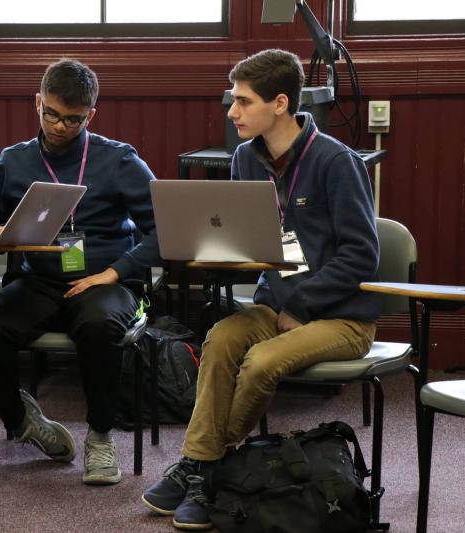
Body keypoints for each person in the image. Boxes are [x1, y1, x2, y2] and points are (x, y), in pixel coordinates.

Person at [141, 48, 381, 530]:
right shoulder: (244, 159)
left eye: (243, 102)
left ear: (280, 103)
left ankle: (205, 471)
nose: (232, 112)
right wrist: (212, 257)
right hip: (276, 305)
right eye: (232, 101)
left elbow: (362, 256)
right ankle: (205, 467)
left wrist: (302, 302)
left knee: (262, 362)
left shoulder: (337, 161)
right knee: (221, 340)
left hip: (342, 316)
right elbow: (249, 246)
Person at [0, 58, 159, 485]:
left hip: (102, 279)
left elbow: (163, 232)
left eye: (73, 120)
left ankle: (100, 436)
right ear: (37, 102)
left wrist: (116, 272)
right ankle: (22, 421)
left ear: (90, 115)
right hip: (37, 280)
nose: (59, 126)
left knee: (97, 327)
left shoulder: (119, 159)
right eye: (51, 114)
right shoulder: (14, 161)